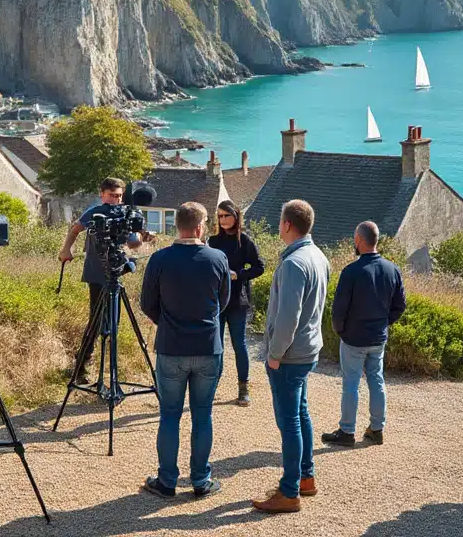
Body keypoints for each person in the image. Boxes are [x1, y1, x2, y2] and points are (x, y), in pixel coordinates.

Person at [138, 202, 232, 499]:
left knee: (169, 415)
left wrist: (166, 321)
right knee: (202, 415)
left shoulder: (160, 259)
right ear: (200, 227)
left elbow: (146, 303)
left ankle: (167, 481)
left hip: (171, 346)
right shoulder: (217, 258)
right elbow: (224, 300)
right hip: (207, 346)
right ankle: (201, 480)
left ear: (177, 225)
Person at [253, 199, 329, 515]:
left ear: (287, 225)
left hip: (290, 355)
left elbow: (288, 316)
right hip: (308, 349)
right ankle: (306, 478)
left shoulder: (294, 263)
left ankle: (289, 491)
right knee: (301, 413)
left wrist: (274, 354)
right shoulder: (318, 256)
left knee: (289, 423)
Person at [322, 221, 406, 448]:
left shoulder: (352, 271)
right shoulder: (392, 269)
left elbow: (339, 309)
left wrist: (340, 330)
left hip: (354, 338)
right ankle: (376, 429)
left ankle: (347, 431)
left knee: (351, 383)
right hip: (378, 337)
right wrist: (384, 323)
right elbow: (400, 305)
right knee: (376, 380)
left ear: (359, 240)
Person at [57, 177, 140, 381]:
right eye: (112, 196)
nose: (116, 200)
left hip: (115, 271)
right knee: (95, 321)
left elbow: (133, 244)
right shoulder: (94, 212)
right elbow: (75, 229)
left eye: (119, 196)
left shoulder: (124, 214)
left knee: (113, 322)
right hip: (96, 273)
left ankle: (109, 371)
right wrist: (67, 248)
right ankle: (81, 366)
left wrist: (138, 236)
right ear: (102, 194)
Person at [207, 199, 264, 407]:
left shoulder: (245, 241)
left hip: (238, 301)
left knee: (239, 344)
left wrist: (238, 275)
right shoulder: (212, 241)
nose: (222, 220)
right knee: (217, 346)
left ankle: (243, 388)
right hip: (216, 301)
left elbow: (259, 267)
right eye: (220, 216)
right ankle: (212, 386)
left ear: (236, 216)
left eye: (226, 215)